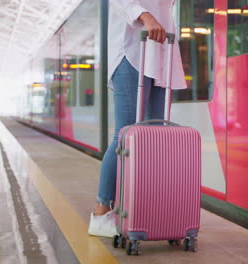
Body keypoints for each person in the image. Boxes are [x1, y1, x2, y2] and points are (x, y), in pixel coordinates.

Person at [88, 0, 186, 237]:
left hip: (163, 52)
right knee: (125, 134)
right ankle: (101, 212)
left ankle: (147, 211)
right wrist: (145, 16)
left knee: (157, 137)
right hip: (131, 51)